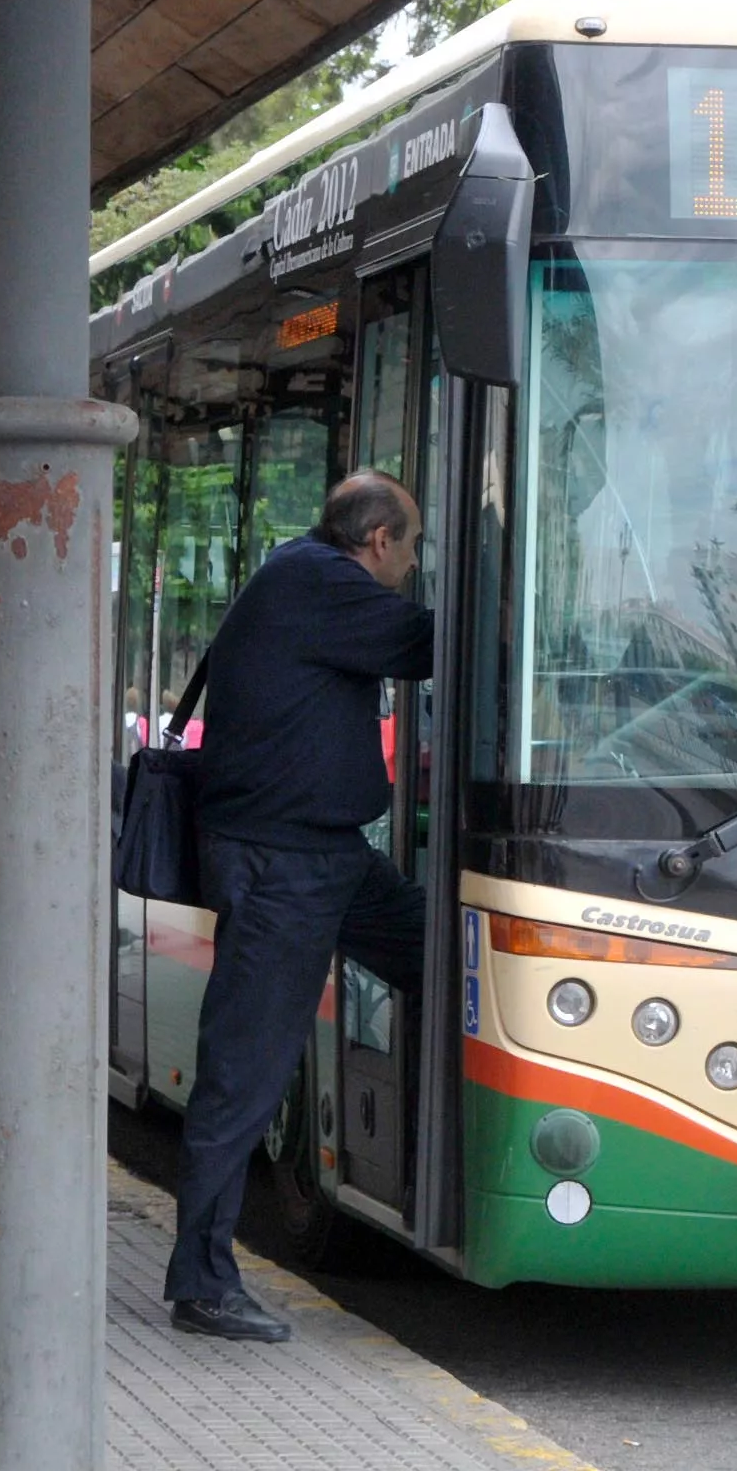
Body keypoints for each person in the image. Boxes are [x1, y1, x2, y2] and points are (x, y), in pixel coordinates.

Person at [163, 470, 433, 1345]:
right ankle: (201, 1284)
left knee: (451, 962)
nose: (414, 563)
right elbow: (429, 642)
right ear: (381, 542)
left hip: (327, 858)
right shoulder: (322, 584)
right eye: (416, 546)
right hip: (285, 867)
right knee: (244, 1073)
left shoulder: (299, 573)